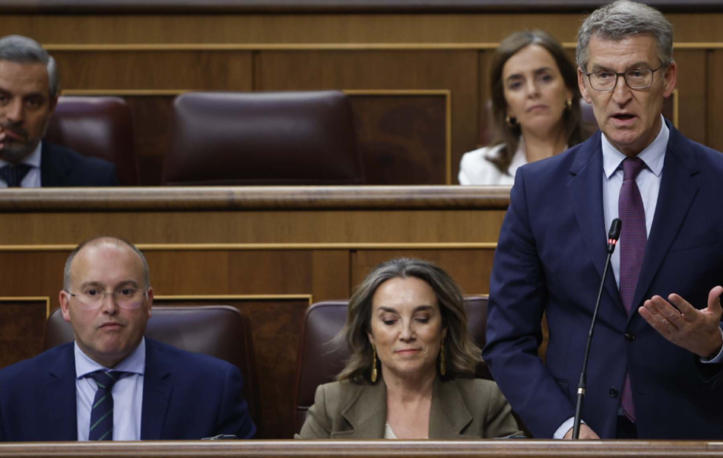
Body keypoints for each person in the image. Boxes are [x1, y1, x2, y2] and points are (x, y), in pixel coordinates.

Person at [484, 0, 723, 440]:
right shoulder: (539, 188)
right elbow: (507, 340)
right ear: (583, 85)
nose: (620, 94)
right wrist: (563, 425)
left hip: (692, 436)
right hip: (581, 440)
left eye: (637, 74)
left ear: (668, 78)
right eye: (604, 75)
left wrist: (715, 343)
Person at [0, 236, 256, 441]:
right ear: (66, 305)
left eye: (125, 291)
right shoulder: (11, 393)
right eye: (93, 291)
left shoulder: (211, 388)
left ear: (148, 302)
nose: (109, 306)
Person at [297, 258, 520, 439]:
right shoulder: (332, 403)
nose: (406, 334)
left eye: (422, 319)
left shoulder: (485, 401)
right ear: (370, 334)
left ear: (443, 328)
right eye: (389, 321)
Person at [459, 30, 583, 185]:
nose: (532, 91)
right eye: (516, 84)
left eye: (545, 78)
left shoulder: (603, 157)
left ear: (569, 88)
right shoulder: (479, 168)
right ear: (506, 105)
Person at [0, 35, 118, 188]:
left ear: (51, 106)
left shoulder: (96, 180)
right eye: (2, 98)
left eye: (32, 102)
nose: (16, 116)